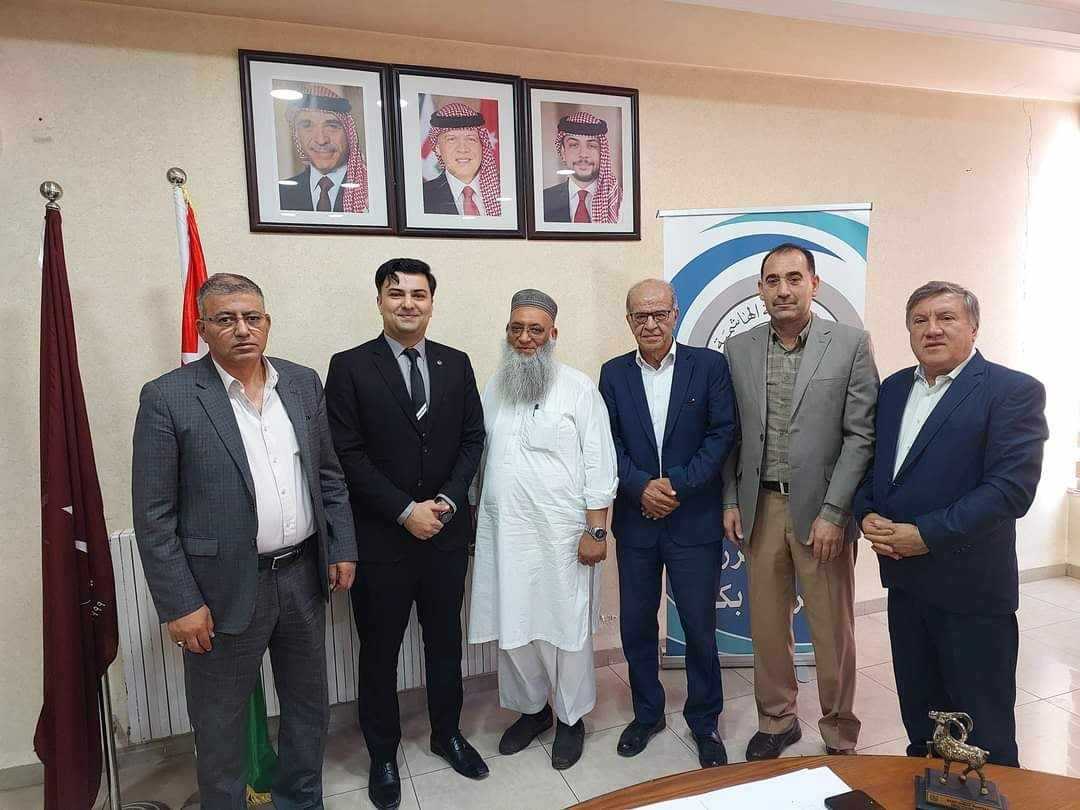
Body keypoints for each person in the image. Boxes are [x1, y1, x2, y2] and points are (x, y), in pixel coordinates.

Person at [132, 273, 358, 809]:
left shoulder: (301, 383)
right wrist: (180, 604)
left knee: (308, 706)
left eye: (252, 317)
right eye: (226, 319)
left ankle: (301, 800)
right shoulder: (169, 397)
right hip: (221, 589)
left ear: (267, 323)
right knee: (220, 723)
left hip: (302, 577)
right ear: (202, 327)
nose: (242, 329)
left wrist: (342, 545)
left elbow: (328, 475)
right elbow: (154, 515)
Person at [854, 281, 1047, 767]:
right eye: (920, 320)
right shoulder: (894, 388)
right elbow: (878, 467)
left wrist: (926, 535)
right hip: (906, 585)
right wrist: (865, 511)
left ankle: (987, 792)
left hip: (971, 592)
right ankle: (925, 784)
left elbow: (1010, 489)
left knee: (982, 732)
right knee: (922, 718)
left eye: (946, 318)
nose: (932, 329)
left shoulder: (1012, 391)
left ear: (973, 327)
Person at [324, 259, 487, 809]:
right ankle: (383, 754)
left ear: (432, 303)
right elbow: (346, 453)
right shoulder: (349, 367)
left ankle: (448, 734)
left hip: (444, 535)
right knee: (379, 652)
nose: (408, 303)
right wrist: (403, 510)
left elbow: (472, 439)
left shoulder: (455, 363)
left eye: (419, 294)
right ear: (379, 302)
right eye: (397, 294)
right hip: (381, 542)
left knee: (444, 644)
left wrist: (446, 501)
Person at [722, 243, 878, 760]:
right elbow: (731, 434)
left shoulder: (850, 344)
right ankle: (777, 720)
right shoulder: (738, 349)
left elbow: (861, 435)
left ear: (814, 284)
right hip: (761, 507)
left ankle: (838, 729)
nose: (783, 290)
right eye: (772, 280)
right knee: (768, 627)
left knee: (832, 630)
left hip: (823, 513)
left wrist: (835, 512)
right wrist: (730, 499)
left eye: (794, 278)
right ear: (760, 289)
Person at [468, 289, 618, 771]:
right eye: (517, 328)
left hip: (562, 538)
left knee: (565, 630)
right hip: (504, 534)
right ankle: (533, 711)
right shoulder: (496, 386)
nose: (525, 338)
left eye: (535, 329)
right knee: (513, 627)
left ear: (553, 334)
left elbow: (600, 462)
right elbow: (478, 455)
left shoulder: (578, 388)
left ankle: (572, 719)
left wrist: (597, 531)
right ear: (507, 332)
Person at [599, 279, 737, 768]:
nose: (651, 323)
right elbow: (606, 442)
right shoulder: (613, 373)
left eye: (659, 313)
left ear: (675, 315)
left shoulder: (709, 366)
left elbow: (722, 434)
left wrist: (675, 485)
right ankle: (647, 713)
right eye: (641, 316)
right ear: (629, 321)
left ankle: (705, 720)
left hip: (693, 519)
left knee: (699, 627)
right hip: (637, 521)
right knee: (637, 625)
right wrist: (640, 487)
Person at [279, 83, 369, 213]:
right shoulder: (280, 194)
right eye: (307, 125)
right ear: (297, 135)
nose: (321, 140)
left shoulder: (370, 192)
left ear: (349, 134)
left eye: (332, 126)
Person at [422, 102, 502, 217]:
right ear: (437, 148)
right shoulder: (422, 197)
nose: (463, 149)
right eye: (451, 139)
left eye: (471, 139)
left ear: (482, 145)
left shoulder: (507, 192)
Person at [542, 111, 622, 224]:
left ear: (602, 153)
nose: (583, 154)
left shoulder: (619, 201)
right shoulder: (542, 200)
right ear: (563, 153)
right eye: (574, 145)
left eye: (592, 145)